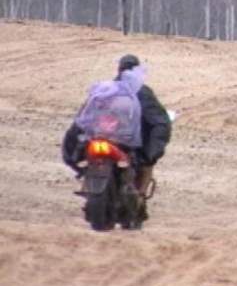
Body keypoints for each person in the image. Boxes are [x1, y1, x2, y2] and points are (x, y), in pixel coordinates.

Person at [62, 54, 172, 222]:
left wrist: (72, 150)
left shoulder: (105, 89)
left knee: (87, 160)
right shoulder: (141, 91)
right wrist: (152, 153)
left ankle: (90, 181)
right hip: (124, 143)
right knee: (146, 166)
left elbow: (83, 118)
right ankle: (140, 197)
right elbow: (159, 122)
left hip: (97, 139)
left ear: (119, 69)